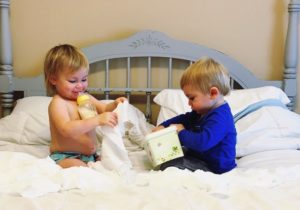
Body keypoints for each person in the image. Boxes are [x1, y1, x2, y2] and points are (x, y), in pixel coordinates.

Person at [44, 44, 126, 168]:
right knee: (82, 171)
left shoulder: (85, 97)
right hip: (66, 156)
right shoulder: (58, 102)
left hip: (91, 156)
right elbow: (66, 129)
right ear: (53, 79)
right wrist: (97, 120)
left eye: (84, 79)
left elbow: (103, 109)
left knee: (112, 165)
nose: (80, 86)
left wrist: (115, 104)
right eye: (73, 81)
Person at [153, 57, 237, 174]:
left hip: (215, 168)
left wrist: (180, 132)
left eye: (192, 98)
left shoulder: (220, 118)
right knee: (169, 159)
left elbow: (203, 143)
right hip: (199, 159)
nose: (189, 103)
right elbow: (184, 118)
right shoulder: (203, 110)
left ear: (213, 93)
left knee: (171, 166)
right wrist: (163, 126)